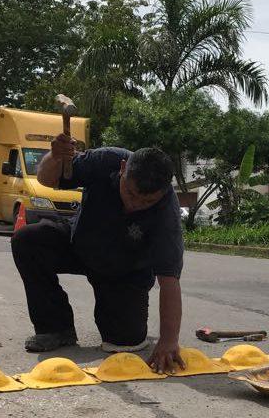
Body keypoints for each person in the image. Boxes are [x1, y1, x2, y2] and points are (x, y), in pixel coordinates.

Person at [10, 134, 185, 373]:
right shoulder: (105, 160)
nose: (135, 205)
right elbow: (46, 178)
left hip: (125, 271)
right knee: (28, 240)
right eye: (131, 194)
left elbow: (169, 280)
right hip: (80, 244)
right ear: (123, 169)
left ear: (162, 193)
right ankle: (55, 328)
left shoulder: (166, 210)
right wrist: (55, 156)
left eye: (147, 202)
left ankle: (121, 319)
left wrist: (168, 340)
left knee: (124, 340)